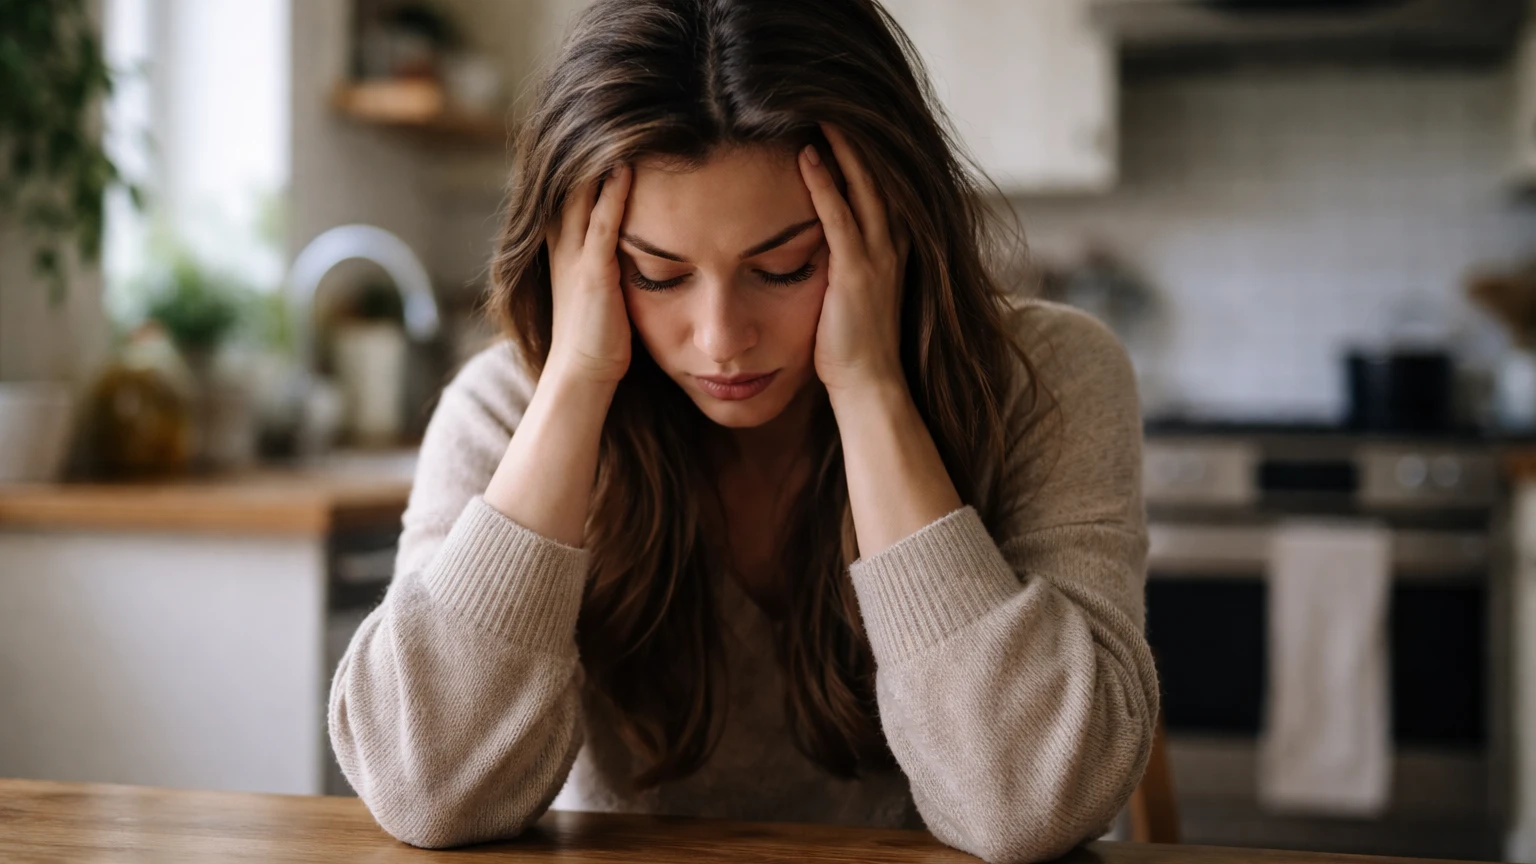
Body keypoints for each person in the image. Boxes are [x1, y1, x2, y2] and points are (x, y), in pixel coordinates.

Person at [327, 1, 1159, 861]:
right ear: (582, 261)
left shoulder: (1048, 381)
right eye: (657, 275)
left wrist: (870, 388)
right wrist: (575, 387)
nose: (722, 337)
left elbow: (1032, 805)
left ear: (896, 229)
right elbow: (425, 791)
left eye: (786, 266)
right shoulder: (505, 410)